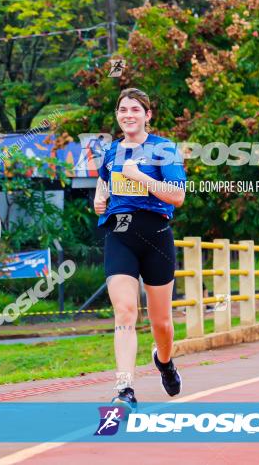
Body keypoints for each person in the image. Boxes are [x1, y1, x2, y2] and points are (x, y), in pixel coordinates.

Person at [93, 87, 187, 411]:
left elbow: (177, 196)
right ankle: (125, 388)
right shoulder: (110, 151)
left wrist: (140, 177)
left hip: (156, 234)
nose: (128, 115)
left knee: (161, 322)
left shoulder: (164, 149)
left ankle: (164, 361)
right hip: (119, 233)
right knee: (125, 311)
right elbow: (104, 179)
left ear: (147, 115)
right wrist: (99, 197)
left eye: (135, 109)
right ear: (118, 115)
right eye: (123, 110)